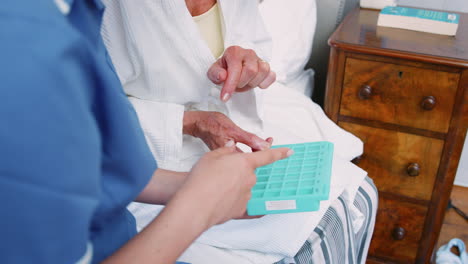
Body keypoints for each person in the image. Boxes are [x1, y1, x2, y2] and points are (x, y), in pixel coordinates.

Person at [0, 0, 292, 263]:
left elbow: (82, 160)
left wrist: (201, 185)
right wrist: (199, 206)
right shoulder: (26, 42)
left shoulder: (78, 13)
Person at [102, 0, 378, 263]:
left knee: (363, 192)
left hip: (225, 136)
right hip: (145, 155)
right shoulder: (95, 13)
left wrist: (249, 66)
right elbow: (91, 112)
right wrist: (190, 122)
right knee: (322, 222)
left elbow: (255, 46)